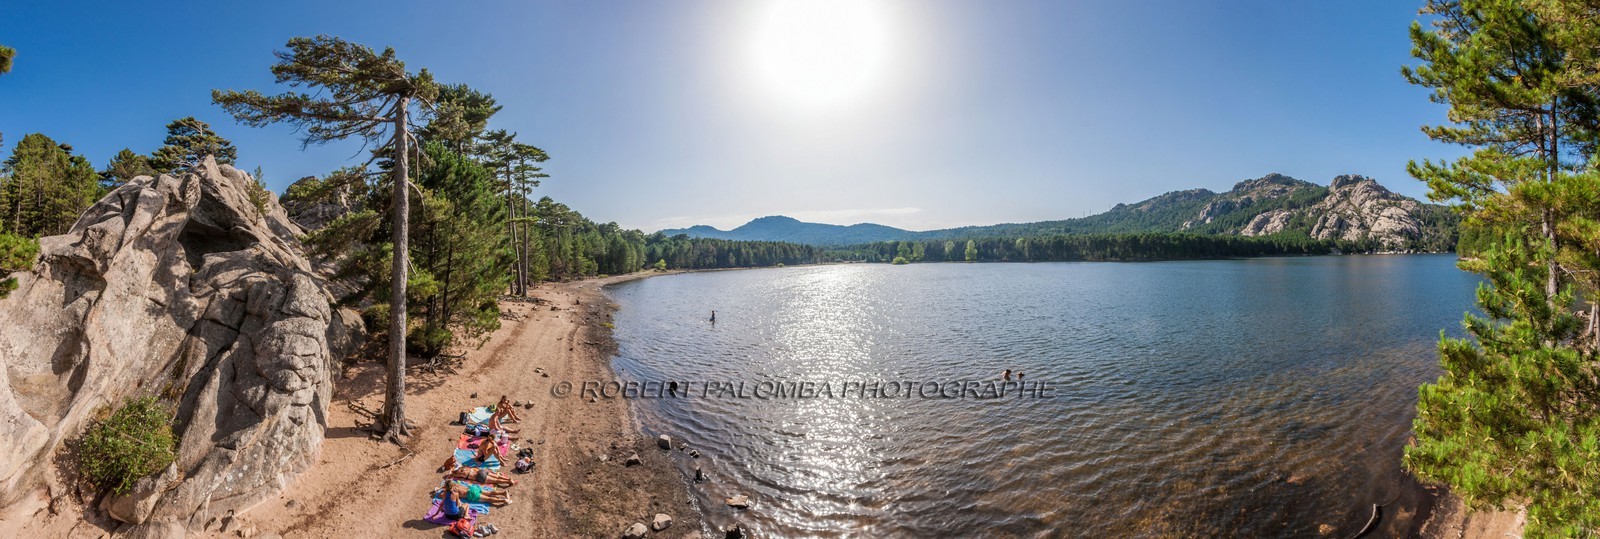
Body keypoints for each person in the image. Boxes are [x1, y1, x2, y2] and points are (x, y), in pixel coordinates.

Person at [447, 465, 518, 487]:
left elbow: (452, 474)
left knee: (496, 480)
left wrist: (452, 471)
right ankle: (508, 479)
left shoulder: (460, 474)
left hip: (480, 477)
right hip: (481, 471)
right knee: (496, 476)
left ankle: (508, 481)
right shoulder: (465, 468)